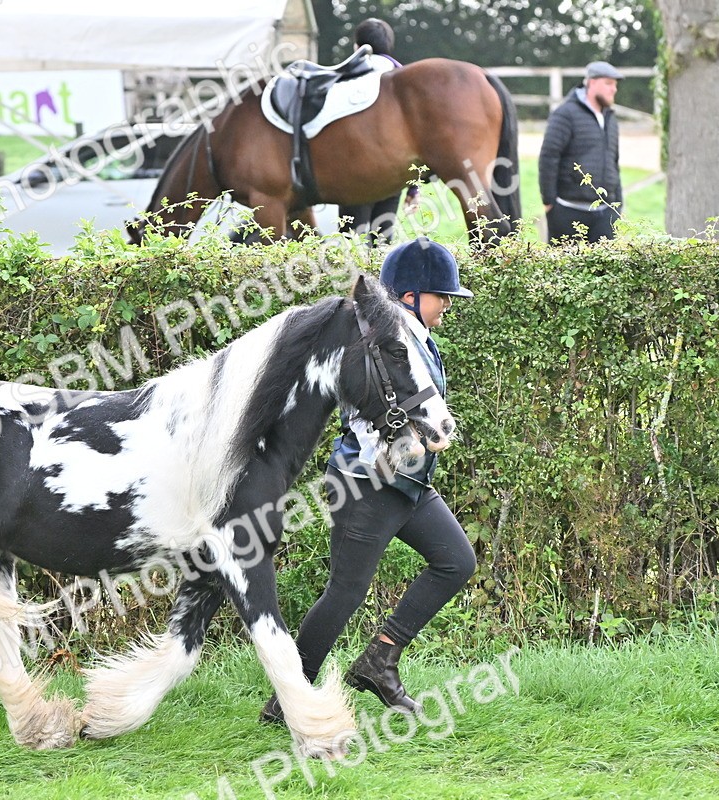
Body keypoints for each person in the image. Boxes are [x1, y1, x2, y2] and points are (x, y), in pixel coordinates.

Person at [262, 237, 478, 720]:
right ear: (410, 297)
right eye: (442, 296)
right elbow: (369, 417)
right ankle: (286, 700)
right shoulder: (381, 342)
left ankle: (379, 659)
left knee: (456, 561)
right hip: (367, 483)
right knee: (345, 592)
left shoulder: (415, 338)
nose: (447, 304)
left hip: (409, 484)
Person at [339, 18, 420, 247]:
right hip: (392, 176)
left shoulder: (348, 75)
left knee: (351, 245)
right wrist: (413, 187)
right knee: (383, 244)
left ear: (358, 46)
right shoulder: (403, 79)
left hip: (355, 176)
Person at [538, 61, 624, 243]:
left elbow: (614, 161)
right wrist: (549, 202)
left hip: (605, 215)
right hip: (568, 212)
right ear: (591, 83)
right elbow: (549, 157)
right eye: (608, 83)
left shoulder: (610, 118)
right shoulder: (565, 114)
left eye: (615, 84)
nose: (614, 89)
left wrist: (618, 205)